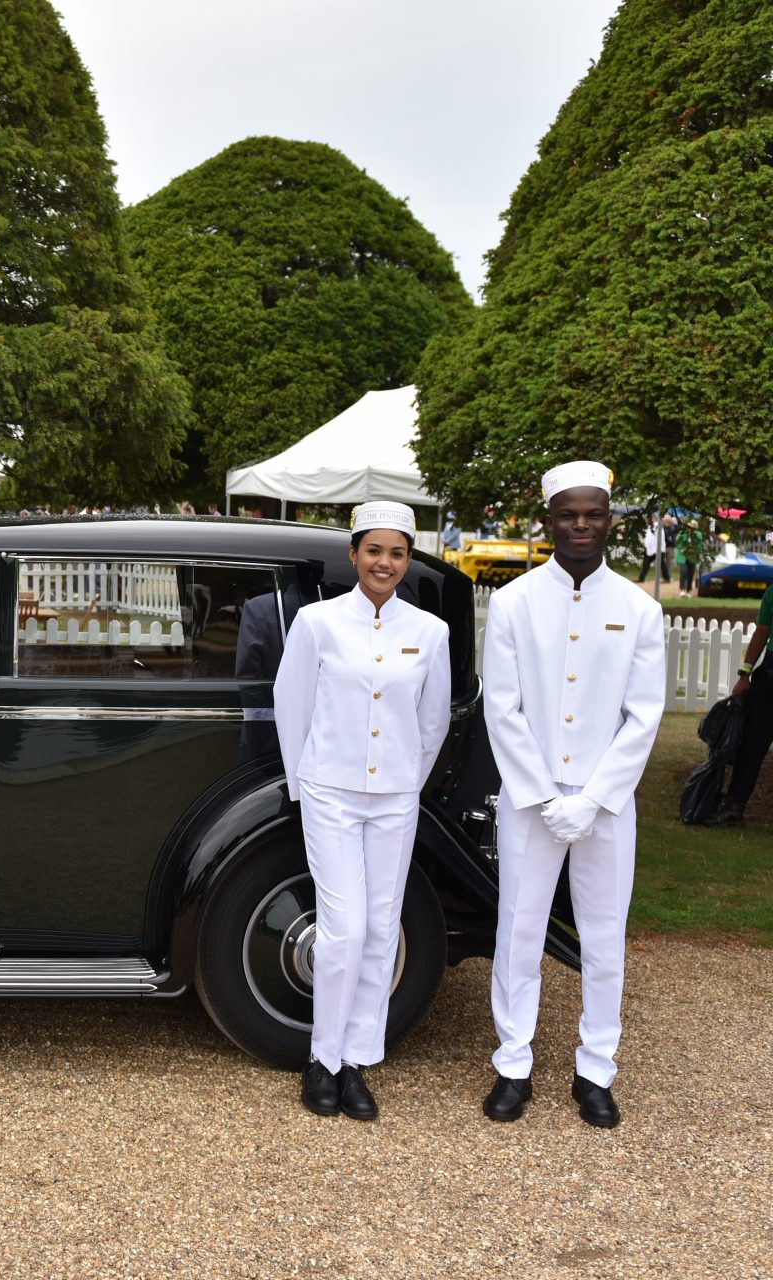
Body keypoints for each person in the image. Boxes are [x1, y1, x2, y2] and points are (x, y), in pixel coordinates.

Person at [482, 461, 664, 1129]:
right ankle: (512, 1063)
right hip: (531, 805)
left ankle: (596, 1070)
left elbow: (644, 716)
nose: (580, 524)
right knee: (518, 933)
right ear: (549, 520)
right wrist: (540, 793)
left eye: (592, 513)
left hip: (607, 806)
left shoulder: (640, 609)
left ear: (609, 520)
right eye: (568, 513)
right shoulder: (513, 602)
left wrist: (591, 799)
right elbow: (503, 709)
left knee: (604, 937)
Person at [274, 501, 451, 1121]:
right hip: (330, 792)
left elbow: (432, 723)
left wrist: (406, 784)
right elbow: (291, 704)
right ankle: (322, 1059)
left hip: (396, 799)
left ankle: (357, 1062)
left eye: (397, 552)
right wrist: (305, 784)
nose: (385, 563)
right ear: (353, 555)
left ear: (407, 560)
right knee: (343, 928)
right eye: (374, 550)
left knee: (380, 930)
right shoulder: (318, 623)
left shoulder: (430, 633)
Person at [712, 586, 773, 826]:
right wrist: (745, 673)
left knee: (752, 746)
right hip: (769, 676)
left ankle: (733, 807)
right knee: (752, 746)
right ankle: (733, 807)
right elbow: (762, 632)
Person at [675, 517, 704, 594]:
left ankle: (689, 590)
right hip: (682, 556)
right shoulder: (682, 533)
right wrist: (683, 548)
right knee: (683, 572)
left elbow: (699, 545)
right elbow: (678, 542)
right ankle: (682, 589)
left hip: (692, 556)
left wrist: (693, 550)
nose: (691, 529)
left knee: (691, 573)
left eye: (693, 528)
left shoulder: (698, 535)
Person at [635, 515, 660, 582]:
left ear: (653, 518)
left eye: (649, 519)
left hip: (655, 548)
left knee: (660, 563)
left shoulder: (657, 526)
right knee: (646, 563)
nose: (647, 520)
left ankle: (642, 578)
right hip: (648, 548)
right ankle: (641, 578)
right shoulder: (648, 527)